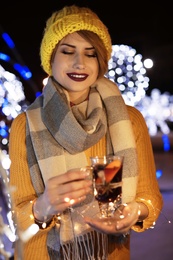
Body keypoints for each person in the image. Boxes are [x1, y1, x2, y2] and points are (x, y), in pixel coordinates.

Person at [9, 4, 163, 260]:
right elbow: (14, 217)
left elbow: (151, 199)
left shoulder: (128, 120)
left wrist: (134, 212)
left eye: (90, 54)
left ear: (100, 61)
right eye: (67, 51)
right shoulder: (25, 125)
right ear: (51, 59)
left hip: (109, 252)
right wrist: (43, 205)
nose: (79, 63)